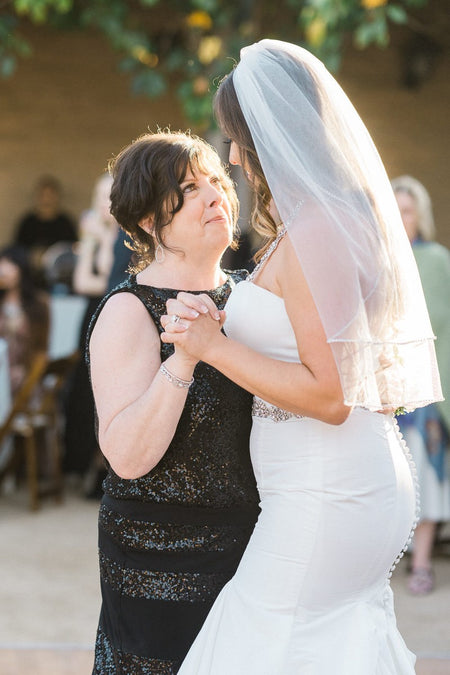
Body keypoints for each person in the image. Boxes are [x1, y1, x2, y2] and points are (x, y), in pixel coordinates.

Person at [161, 40, 442, 674]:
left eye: (236, 139)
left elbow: (329, 395)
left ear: (267, 136)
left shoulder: (318, 228)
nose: (231, 156)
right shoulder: (328, 219)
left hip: (326, 487)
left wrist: (212, 347)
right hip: (336, 482)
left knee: (259, 642)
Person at [87, 131, 260, 673]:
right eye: (188, 188)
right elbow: (127, 457)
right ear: (147, 221)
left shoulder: (255, 299)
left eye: (215, 181)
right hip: (155, 551)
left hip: (254, 541)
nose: (215, 195)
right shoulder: (129, 310)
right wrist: (183, 358)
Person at [392, 175, 450, 595]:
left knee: (425, 477)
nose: (400, 217)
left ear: (420, 215)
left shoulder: (436, 261)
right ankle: (386, 559)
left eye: (407, 209)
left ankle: (422, 563)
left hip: (426, 390)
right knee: (388, 479)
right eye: (393, 208)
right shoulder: (370, 259)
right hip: (381, 389)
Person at [63, 173, 118, 492]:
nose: (102, 202)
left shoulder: (125, 234)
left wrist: (109, 236)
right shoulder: (92, 232)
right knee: (86, 389)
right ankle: (89, 463)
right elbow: (82, 282)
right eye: (98, 195)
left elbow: (113, 278)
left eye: (108, 195)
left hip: (114, 311)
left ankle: (106, 464)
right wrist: (94, 239)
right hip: (91, 315)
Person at [0, 245, 49, 395]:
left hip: (26, 379)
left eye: (9, 264)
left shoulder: (39, 305)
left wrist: (28, 374)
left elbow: (41, 349)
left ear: (21, 268)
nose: (3, 270)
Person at [14, 175, 77, 287]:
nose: (46, 199)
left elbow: (75, 249)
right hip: (30, 281)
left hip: (60, 280)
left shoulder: (65, 223)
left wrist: (54, 254)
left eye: (50, 195)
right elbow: (17, 252)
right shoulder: (28, 222)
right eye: (43, 195)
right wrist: (33, 256)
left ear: (57, 197)